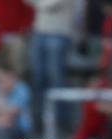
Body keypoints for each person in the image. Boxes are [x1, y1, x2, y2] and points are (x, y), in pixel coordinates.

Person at [27, 0, 76, 128]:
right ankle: (38, 120)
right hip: (38, 31)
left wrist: (39, 4)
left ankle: (60, 121)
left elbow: (51, 4)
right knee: (37, 78)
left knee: (55, 78)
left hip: (59, 32)